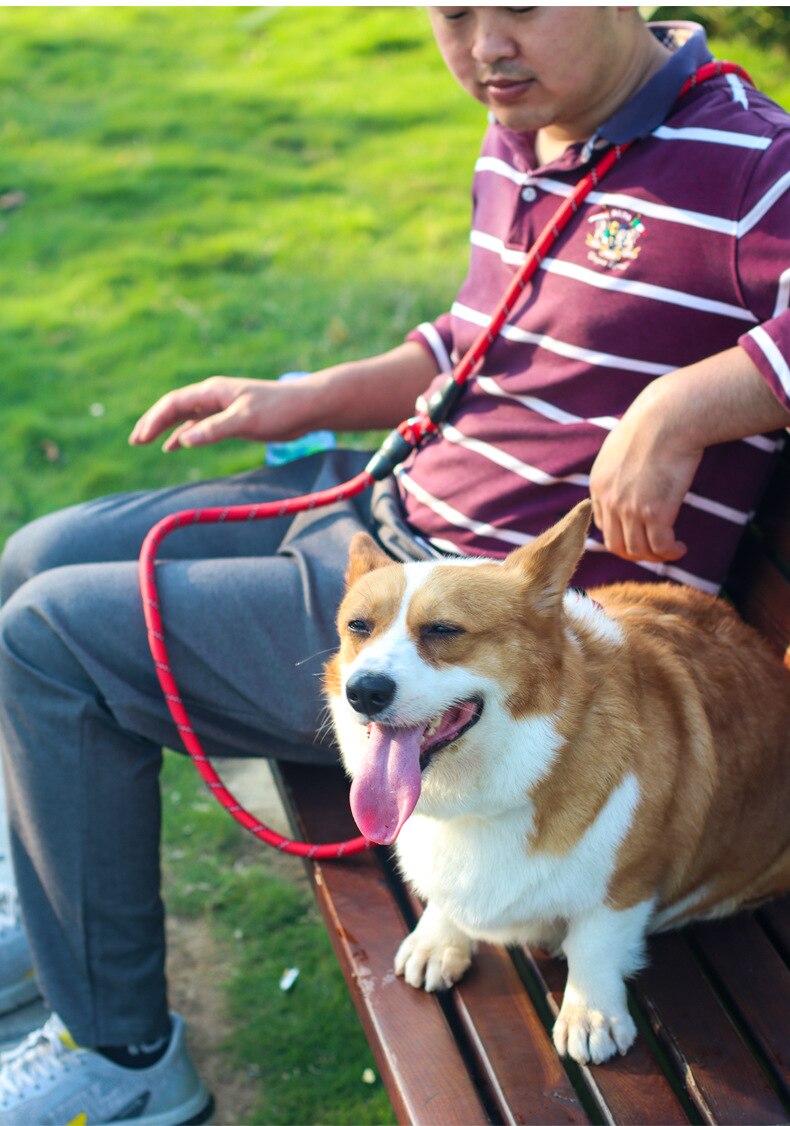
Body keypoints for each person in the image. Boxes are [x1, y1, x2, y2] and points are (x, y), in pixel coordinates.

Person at [1, 7, 789, 1124]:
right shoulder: (532, 122)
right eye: (452, 12)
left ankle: (125, 1060)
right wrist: (306, 397)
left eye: (518, 5)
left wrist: (684, 404)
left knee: (49, 642)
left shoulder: (753, 161)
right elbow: (471, 339)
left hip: (481, 632)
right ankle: (53, 908)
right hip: (380, 529)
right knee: (30, 556)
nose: (484, 48)